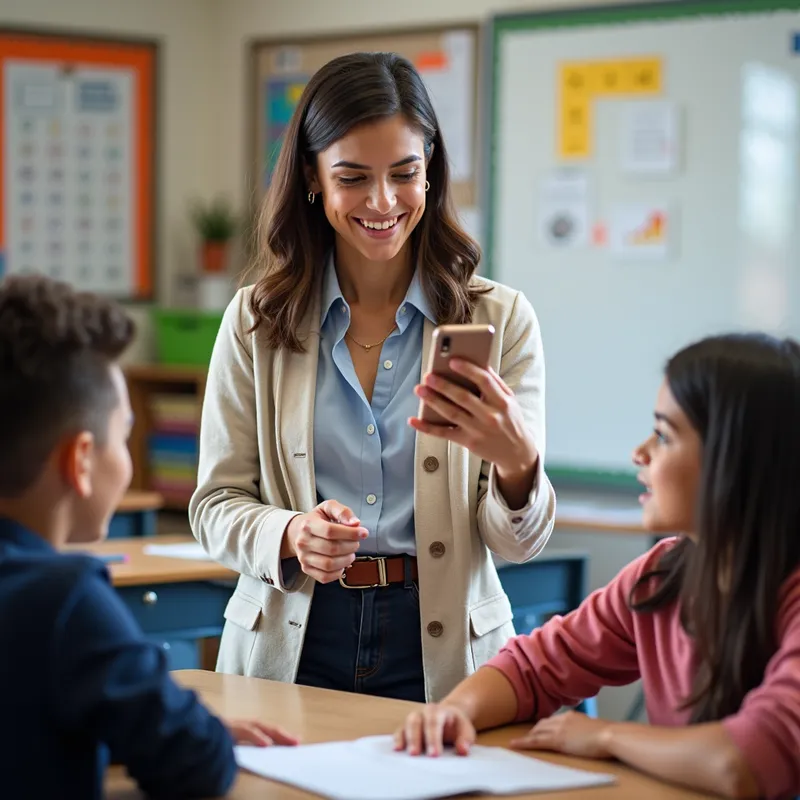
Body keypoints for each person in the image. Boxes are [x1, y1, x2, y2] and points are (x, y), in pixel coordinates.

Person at [189, 51, 556, 704]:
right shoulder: (255, 319)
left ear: (431, 173)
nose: (382, 202)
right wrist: (291, 534)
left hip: (444, 644)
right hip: (292, 631)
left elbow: (516, 543)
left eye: (404, 174)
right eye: (353, 178)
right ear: (313, 177)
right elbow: (214, 507)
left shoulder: (500, 318)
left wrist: (519, 467)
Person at [395, 333, 800, 799]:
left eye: (664, 435)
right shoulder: (665, 573)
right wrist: (457, 711)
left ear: (737, 460)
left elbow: (746, 761)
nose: (640, 452)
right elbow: (536, 667)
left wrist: (606, 736)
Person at [0, 275, 298, 800]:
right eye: (124, 434)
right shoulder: (66, 599)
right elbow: (197, 765)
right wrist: (202, 732)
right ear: (82, 460)